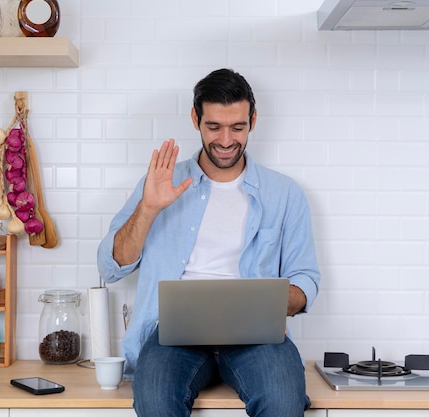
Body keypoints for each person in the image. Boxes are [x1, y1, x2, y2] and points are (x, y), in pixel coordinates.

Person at [97, 68, 320, 417]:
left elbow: (305, 280)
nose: (227, 140)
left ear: (253, 119)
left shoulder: (285, 194)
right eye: (214, 127)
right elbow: (110, 267)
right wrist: (149, 207)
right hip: (174, 336)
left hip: (257, 337)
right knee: (155, 400)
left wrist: (269, 299)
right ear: (195, 118)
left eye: (238, 127)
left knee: (281, 399)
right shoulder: (160, 183)